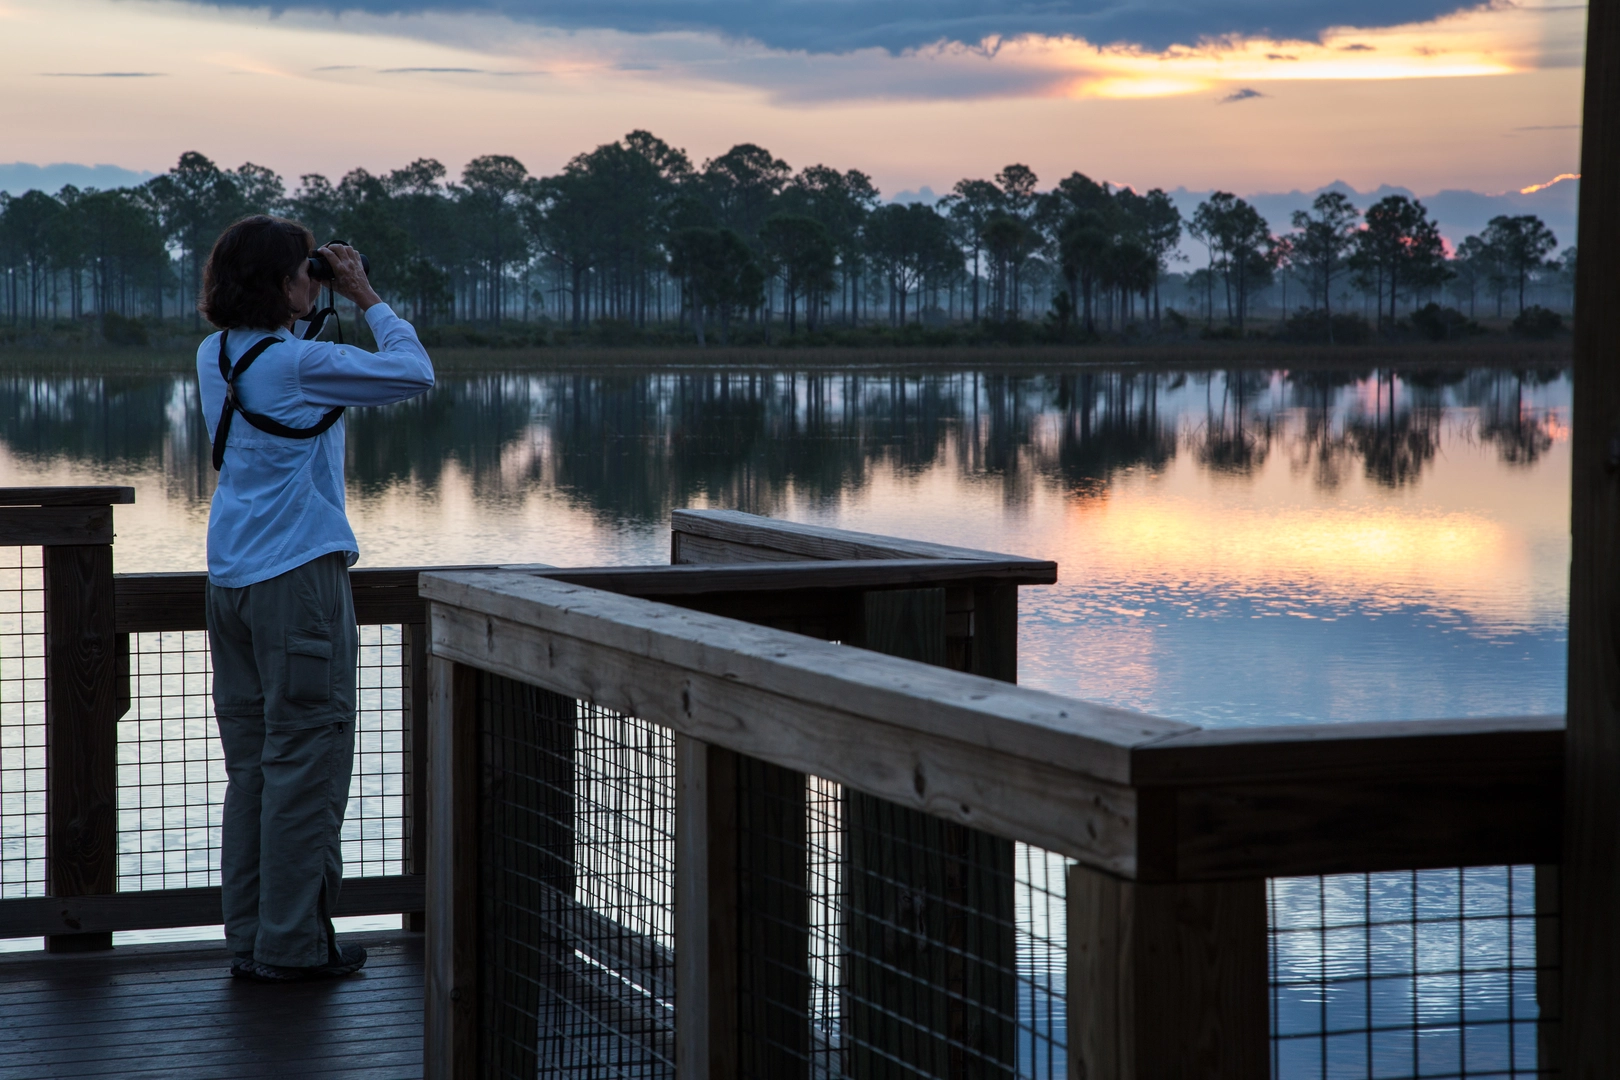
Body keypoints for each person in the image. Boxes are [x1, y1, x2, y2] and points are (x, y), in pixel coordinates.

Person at [196, 215, 434, 982]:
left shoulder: (215, 354)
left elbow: (282, 372)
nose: (314, 277)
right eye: (305, 268)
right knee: (306, 765)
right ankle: (294, 947)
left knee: (255, 771)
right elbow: (415, 372)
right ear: (279, 282)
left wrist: (311, 302)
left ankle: (252, 939)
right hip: (297, 580)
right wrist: (364, 293)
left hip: (229, 580)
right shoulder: (300, 364)